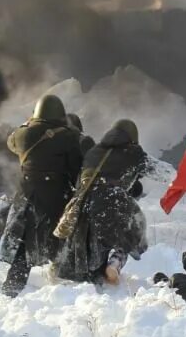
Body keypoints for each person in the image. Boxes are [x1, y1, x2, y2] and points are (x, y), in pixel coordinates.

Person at [0, 94, 82, 297]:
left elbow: (10, 143)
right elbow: (76, 168)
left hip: (25, 196)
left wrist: (28, 125)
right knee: (60, 238)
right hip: (55, 196)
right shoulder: (69, 137)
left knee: (23, 241)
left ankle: (12, 287)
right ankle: (63, 289)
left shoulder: (21, 134)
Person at [57, 119, 151, 284]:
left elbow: (81, 180)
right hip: (113, 200)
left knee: (93, 241)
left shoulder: (94, 151)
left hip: (85, 201)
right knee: (131, 233)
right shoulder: (133, 152)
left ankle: (93, 275)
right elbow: (162, 172)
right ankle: (115, 263)